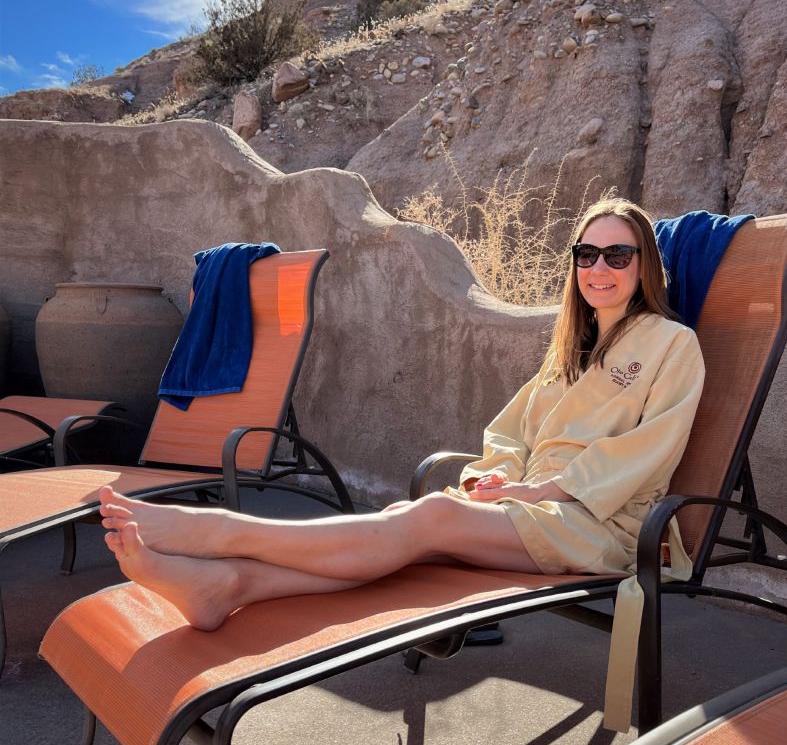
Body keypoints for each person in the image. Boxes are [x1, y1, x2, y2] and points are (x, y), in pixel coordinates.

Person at [98, 198, 705, 632]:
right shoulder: (566, 352)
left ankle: (221, 532)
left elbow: (645, 456)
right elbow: (511, 432)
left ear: (644, 265)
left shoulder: (671, 344)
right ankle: (229, 585)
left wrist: (528, 487)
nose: (600, 268)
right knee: (402, 522)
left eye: (618, 255)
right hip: (529, 509)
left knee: (431, 516)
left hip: (603, 527)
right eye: (587, 254)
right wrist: (491, 477)